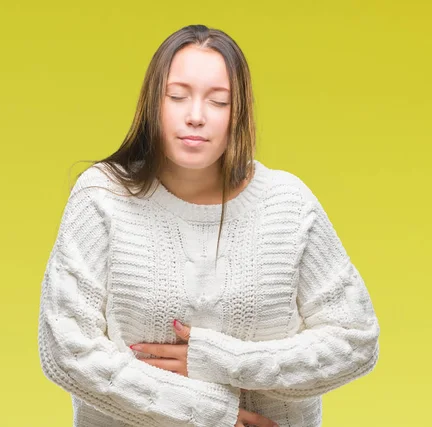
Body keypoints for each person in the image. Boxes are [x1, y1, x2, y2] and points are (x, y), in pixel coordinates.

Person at [37, 24, 380, 427]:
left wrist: (224, 361)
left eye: (218, 101)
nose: (195, 116)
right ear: (153, 103)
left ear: (239, 113)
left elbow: (356, 340)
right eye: (177, 96)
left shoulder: (287, 204)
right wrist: (215, 415)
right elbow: (68, 351)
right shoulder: (101, 196)